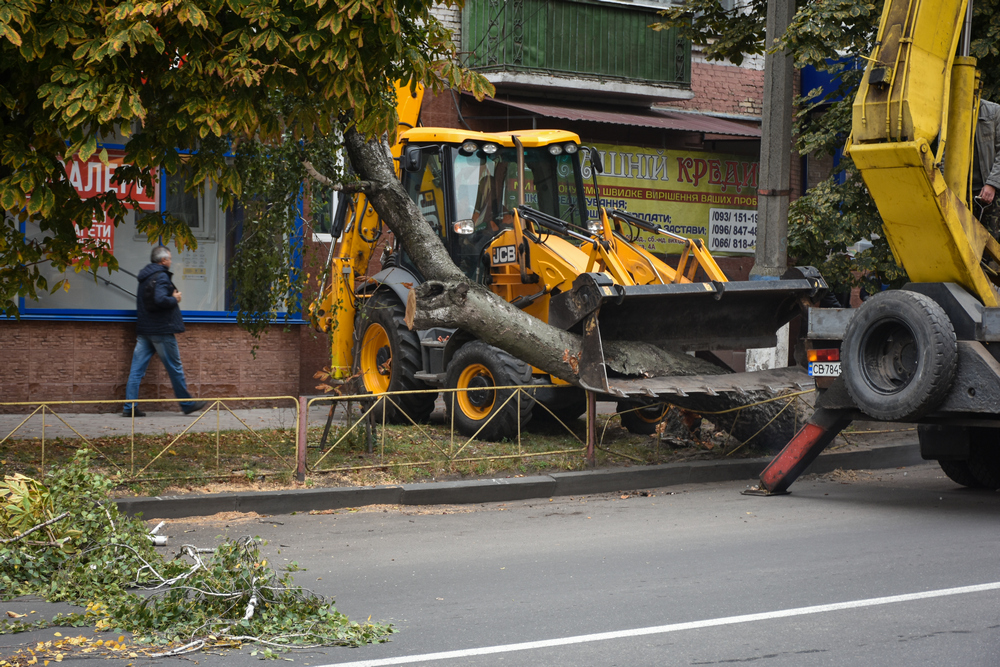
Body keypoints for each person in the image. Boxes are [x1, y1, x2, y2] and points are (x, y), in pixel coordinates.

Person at [123, 246, 206, 417]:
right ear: (162, 261)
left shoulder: (145, 276)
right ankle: (187, 404)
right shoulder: (161, 276)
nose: (171, 261)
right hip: (161, 330)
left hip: (145, 330)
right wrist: (174, 298)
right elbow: (160, 299)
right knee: (175, 367)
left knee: (136, 371)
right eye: (169, 258)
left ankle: (129, 407)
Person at [973, 98, 1000, 237]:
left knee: (989, 245)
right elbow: (943, 154)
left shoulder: (994, 111)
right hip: (959, 192)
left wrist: (992, 184)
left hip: (988, 191)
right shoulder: (946, 113)